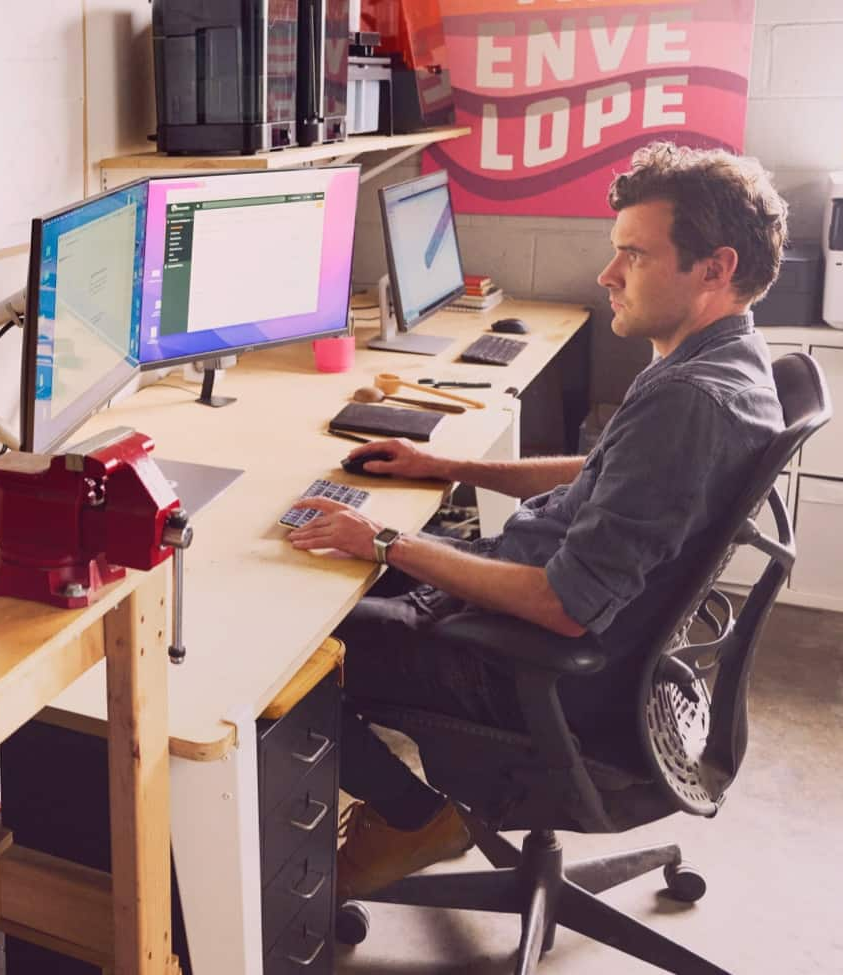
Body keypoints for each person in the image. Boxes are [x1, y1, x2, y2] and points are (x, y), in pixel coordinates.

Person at [285, 143, 792, 899]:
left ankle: (415, 815)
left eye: (634, 255)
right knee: (330, 568)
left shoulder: (690, 403)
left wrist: (389, 539)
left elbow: (561, 606)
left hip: (538, 665)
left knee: (284, 655)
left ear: (714, 269)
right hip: (580, 632)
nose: (606, 275)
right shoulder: (719, 362)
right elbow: (603, 475)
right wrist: (448, 469)